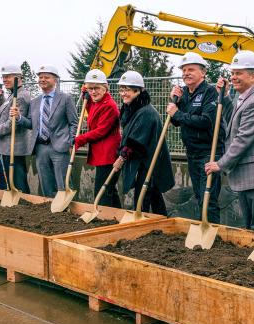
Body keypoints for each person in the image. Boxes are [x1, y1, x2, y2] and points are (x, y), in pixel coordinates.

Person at [205, 50, 254, 233]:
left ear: (253, 76)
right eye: (232, 73)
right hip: (249, 174)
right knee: (250, 225)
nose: (233, 77)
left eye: (238, 73)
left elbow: (242, 139)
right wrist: (223, 97)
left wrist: (220, 164)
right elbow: (234, 120)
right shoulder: (245, 98)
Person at [167, 52, 230, 224]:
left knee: (208, 197)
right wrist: (175, 102)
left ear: (203, 73)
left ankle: (212, 233)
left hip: (209, 152)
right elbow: (176, 121)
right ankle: (203, 227)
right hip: (192, 152)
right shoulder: (185, 93)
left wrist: (178, 113)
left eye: (191, 69)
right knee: (199, 195)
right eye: (184, 70)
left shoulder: (210, 92)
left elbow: (206, 121)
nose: (186, 73)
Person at [113, 70, 174, 215]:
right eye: (121, 89)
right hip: (145, 161)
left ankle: (140, 221)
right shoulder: (133, 109)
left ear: (138, 90)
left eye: (127, 90)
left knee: (143, 195)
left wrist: (121, 158)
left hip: (151, 162)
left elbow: (136, 142)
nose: (123, 93)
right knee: (153, 195)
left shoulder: (146, 112)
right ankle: (163, 221)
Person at [11, 65, 77, 198]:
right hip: (41, 148)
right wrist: (19, 117)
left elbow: (74, 123)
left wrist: (70, 141)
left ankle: (66, 210)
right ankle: (50, 209)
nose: (42, 79)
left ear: (55, 80)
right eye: (40, 77)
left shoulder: (65, 99)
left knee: (63, 183)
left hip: (60, 147)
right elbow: (31, 124)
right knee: (46, 183)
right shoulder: (35, 102)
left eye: (46, 77)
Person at [74, 69, 122, 207]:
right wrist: (85, 95)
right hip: (101, 153)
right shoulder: (96, 102)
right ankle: (117, 216)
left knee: (102, 191)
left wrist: (80, 139)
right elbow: (91, 110)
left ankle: (104, 217)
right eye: (90, 88)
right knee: (109, 190)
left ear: (105, 88)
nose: (93, 92)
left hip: (109, 155)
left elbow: (101, 131)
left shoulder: (110, 106)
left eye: (97, 88)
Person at [0, 63, 34, 193]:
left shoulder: (21, 96)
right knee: (12, 178)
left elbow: (12, 123)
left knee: (18, 180)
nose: (4, 80)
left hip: (15, 146)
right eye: (3, 77)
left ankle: (24, 203)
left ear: (18, 77)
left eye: (8, 77)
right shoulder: (13, 94)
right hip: (8, 146)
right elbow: (6, 111)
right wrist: (1, 98)